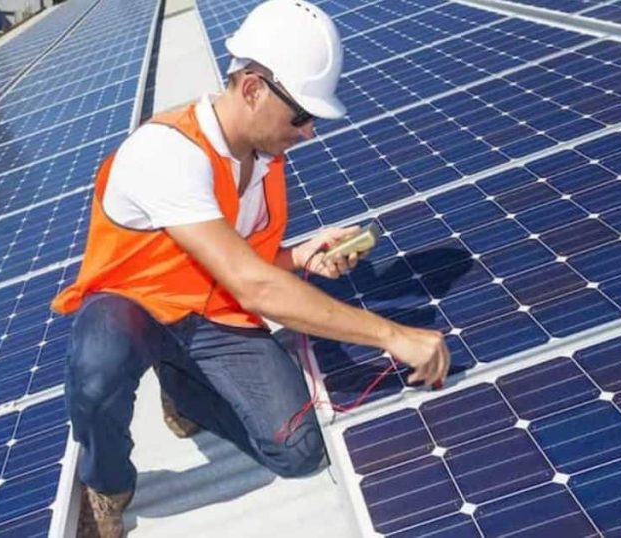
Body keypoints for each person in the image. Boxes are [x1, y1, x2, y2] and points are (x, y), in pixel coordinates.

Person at [50, 1, 451, 536]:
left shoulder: (263, 164)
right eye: (302, 116)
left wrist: (303, 254)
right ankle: (108, 482)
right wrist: (390, 335)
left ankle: (184, 387)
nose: (308, 132)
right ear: (253, 88)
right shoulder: (167, 153)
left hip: (210, 315)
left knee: (300, 450)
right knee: (98, 373)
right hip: (132, 308)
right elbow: (254, 284)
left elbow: (249, 261)